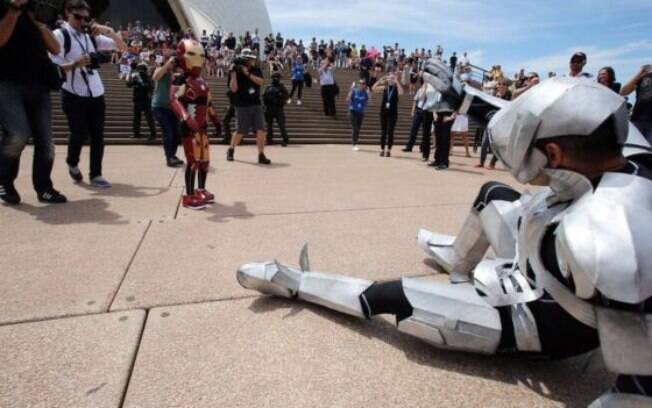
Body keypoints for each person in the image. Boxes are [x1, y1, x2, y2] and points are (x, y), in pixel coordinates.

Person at [237, 63, 652, 407]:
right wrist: (463, 97)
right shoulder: (621, 145)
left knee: (390, 297)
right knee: (493, 193)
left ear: (557, 155)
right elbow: (534, 123)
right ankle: (458, 256)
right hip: (546, 253)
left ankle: (294, 282)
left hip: (545, 319)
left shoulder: (610, 234)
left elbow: (639, 377)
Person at [50, 0, 125, 188]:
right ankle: (72, 161)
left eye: (86, 18)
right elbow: (53, 67)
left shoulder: (90, 37)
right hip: (73, 92)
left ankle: (96, 174)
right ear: (67, 13)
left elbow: (121, 47)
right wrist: (77, 64)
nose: (82, 21)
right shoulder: (60, 35)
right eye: (77, 17)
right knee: (79, 133)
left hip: (96, 91)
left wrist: (107, 30)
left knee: (98, 136)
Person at [0, 0, 67, 204]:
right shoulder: (5, 9)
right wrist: (13, 11)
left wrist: (39, 24)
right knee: (18, 135)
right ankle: (4, 182)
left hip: (39, 85)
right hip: (8, 83)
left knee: (46, 142)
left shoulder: (38, 13)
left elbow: (56, 49)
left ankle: (44, 188)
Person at [169, 39, 221, 210]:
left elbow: (209, 104)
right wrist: (185, 117)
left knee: (204, 161)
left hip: (202, 127)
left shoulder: (201, 81)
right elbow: (174, 99)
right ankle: (189, 196)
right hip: (189, 128)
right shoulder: (181, 79)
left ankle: (201, 190)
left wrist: (216, 120)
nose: (197, 59)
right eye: (192, 54)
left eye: (200, 55)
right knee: (192, 162)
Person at [227, 48, 271, 164]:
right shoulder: (235, 71)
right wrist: (233, 75)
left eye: (252, 59)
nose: (252, 61)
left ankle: (261, 155)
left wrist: (247, 73)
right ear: (245, 60)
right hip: (241, 105)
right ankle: (231, 149)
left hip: (256, 104)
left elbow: (261, 82)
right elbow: (233, 88)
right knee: (240, 131)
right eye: (250, 59)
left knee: (261, 129)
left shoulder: (255, 70)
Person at [152, 52, 183, 167]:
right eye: (171, 61)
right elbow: (155, 77)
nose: (173, 63)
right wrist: (167, 64)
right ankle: (169, 157)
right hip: (159, 106)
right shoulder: (160, 69)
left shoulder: (173, 74)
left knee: (175, 133)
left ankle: (173, 155)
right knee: (168, 132)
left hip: (172, 107)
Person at [372, 72, 403, 157]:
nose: (391, 79)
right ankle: (382, 150)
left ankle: (389, 150)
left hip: (393, 113)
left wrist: (397, 82)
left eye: (392, 78)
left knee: (390, 132)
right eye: (390, 78)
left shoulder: (396, 88)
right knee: (383, 132)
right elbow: (373, 88)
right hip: (383, 113)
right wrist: (380, 80)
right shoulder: (385, 88)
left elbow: (401, 93)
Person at [621, 64, 652, 143]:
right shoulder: (643, 76)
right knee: (635, 148)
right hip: (637, 118)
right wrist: (639, 74)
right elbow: (623, 92)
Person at [127, 62, 156, 140]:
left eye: (142, 69)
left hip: (146, 100)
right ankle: (136, 133)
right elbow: (128, 84)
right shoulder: (135, 77)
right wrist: (134, 81)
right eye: (139, 69)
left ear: (145, 70)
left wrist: (142, 84)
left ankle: (153, 134)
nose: (141, 71)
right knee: (136, 118)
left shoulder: (148, 78)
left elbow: (151, 87)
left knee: (149, 118)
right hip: (137, 100)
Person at [263, 72, 290, 147]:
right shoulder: (268, 87)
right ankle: (269, 140)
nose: (276, 78)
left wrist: (279, 94)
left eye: (277, 77)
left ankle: (285, 139)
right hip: (269, 108)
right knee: (269, 126)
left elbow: (287, 96)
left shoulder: (281, 87)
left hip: (278, 108)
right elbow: (264, 96)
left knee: (281, 125)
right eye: (274, 77)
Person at [346, 79, 369, 151]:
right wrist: (351, 90)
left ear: (365, 85)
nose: (362, 84)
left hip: (360, 112)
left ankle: (355, 143)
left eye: (363, 83)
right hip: (353, 111)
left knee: (358, 129)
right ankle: (354, 144)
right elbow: (347, 99)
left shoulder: (365, 93)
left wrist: (369, 93)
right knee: (355, 128)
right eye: (360, 83)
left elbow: (367, 102)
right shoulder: (354, 91)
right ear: (358, 84)